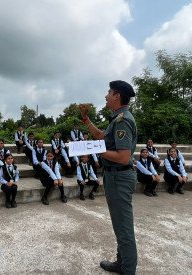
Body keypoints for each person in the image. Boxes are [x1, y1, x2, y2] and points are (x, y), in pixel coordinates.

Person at [79, 80, 137, 274]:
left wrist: (95, 150)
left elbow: (123, 156)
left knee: (124, 229)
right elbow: (102, 137)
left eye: (109, 92)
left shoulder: (123, 121)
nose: (106, 96)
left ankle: (128, 269)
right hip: (114, 177)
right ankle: (122, 263)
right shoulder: (116, 119)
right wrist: (86, 120)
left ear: (117, 96)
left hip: (120, 178)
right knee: (119, 225)